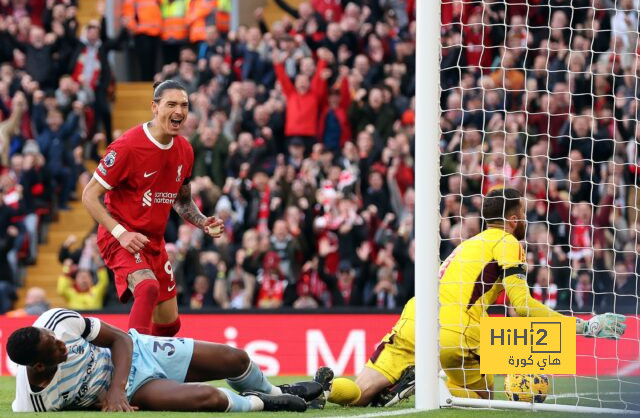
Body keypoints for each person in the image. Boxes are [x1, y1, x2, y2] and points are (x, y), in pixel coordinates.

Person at [438, 188, 627, 399]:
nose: (526, 218)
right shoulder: (508, 242)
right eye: (523, 213)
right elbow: (523, 306)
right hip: (463, 332)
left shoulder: (467, 245)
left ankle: (434, 387)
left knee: (483, 395)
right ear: (513, 219)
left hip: (432, 331)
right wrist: (585, 326)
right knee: (490, 395)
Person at [82, 80, 225, 337]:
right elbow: (89, 195)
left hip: (154, 242)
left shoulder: (185, 150)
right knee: (147, 287)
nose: (179, 111)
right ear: (154, 108)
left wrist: (203, 221)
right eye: (171, 104)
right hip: (121, 237)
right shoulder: (127, 147)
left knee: (170, 325)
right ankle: (134, 363)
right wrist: (121, 234)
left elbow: (181, 200)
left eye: (184, 105)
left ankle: (154, 371)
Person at [8, 308, 321, 412]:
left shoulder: (56, 321)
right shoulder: (33, 403)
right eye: (54, 349)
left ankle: (280, 391)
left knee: (235, 358)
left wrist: (114, 390)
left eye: (55, 338)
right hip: (137, 389)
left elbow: (121, 338)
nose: (61, 343)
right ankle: (264, 404)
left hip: (137, 351)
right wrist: (117, 393)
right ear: (38, 366)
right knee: (208, 397)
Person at [313, 298, 416, 408]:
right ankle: (415, 376)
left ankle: (324, 388)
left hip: (415, 311)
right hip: (435, 309)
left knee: (360, 393)